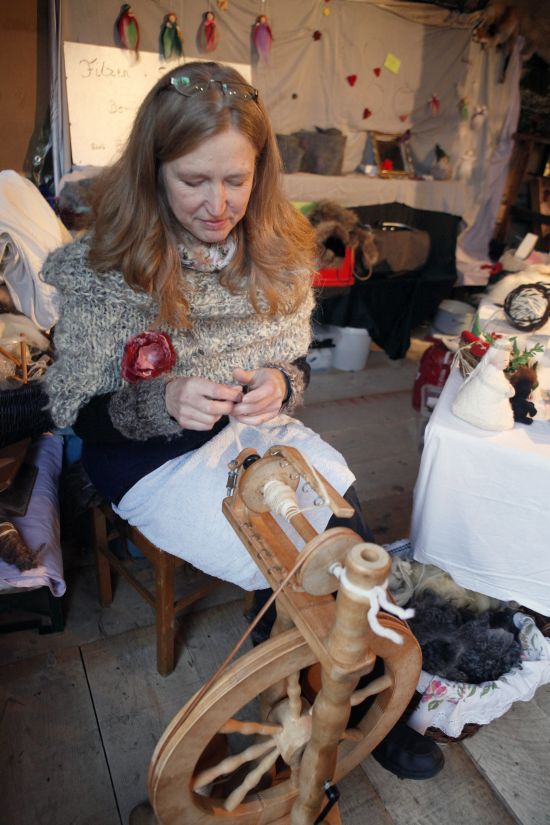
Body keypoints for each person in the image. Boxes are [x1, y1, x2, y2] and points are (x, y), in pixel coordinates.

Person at [42, 61, 443, 782]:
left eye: (237, 179)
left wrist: (282, 384)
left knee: (345, 530)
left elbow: (295, 364)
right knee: (291, 554)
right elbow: (77, 414)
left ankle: (360, 693)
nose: (218, 203)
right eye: (193, 180)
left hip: (244, 428)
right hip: (144, 454)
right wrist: (161, 400)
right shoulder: (103, 269)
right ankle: (307, 690)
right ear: (152, 169)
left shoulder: (277, 254)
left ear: (262, 170)